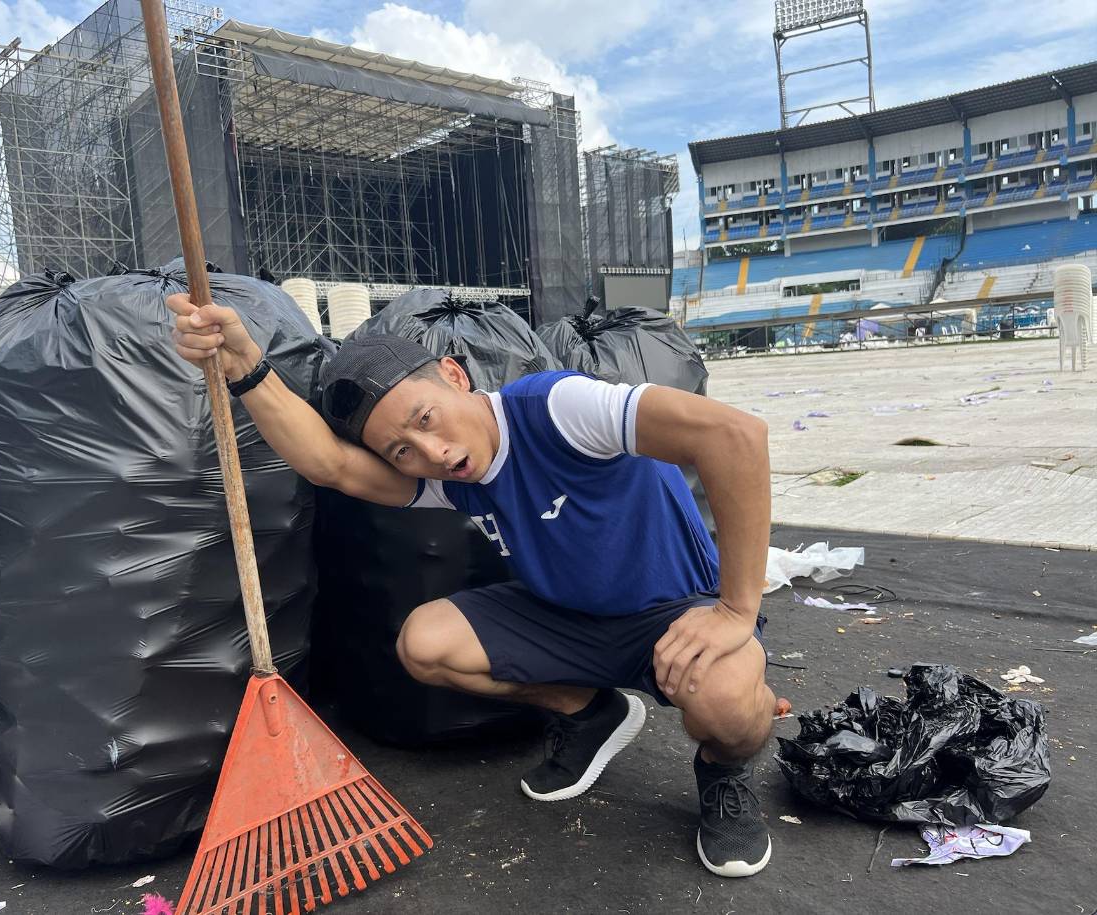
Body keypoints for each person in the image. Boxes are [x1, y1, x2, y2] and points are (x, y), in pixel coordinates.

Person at [166, 293, 776, 878]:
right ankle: (591, 714)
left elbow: (734, 435)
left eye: (424, 418)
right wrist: (246, 368)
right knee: (424, 644)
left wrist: (735, 608)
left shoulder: (557, 408)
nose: (432, 451)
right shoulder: (448, 474)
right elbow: (330, 464)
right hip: (568, 619)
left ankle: (723, 774)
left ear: (455, 376)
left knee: (727, 704)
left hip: (677, 614)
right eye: (401, 450)